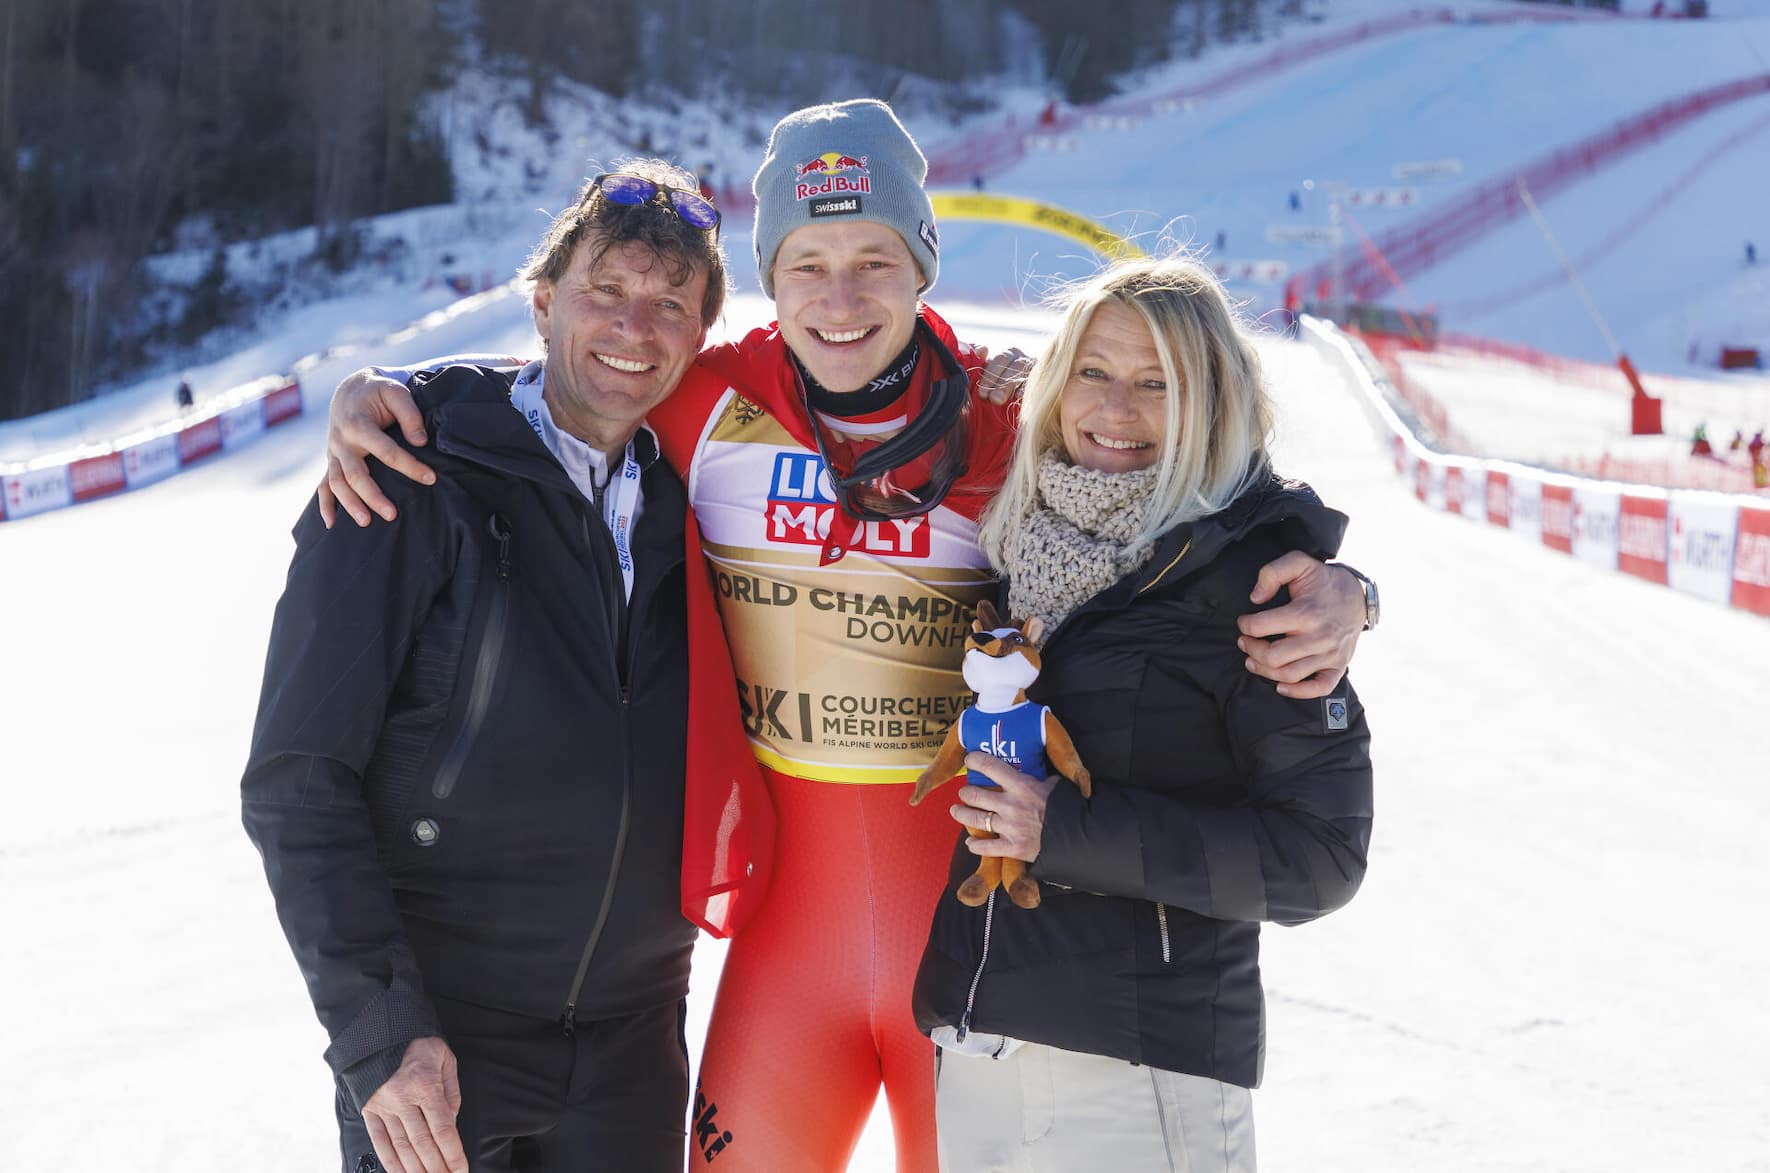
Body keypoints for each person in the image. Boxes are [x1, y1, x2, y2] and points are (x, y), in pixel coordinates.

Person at [317, 100, 1374, 1173]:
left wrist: (1341, 582)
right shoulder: (708, 401)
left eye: (875, 259)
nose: (841, 297)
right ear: (770, 280)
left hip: (970, 934)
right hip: (788, 950)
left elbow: (1192, 481)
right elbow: (575, 386)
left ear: (923, 266)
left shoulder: (1009, 417)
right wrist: (391, 397)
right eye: (808, 262)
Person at [241, 158, 762, 1173]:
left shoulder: (693, 495)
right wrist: (381, 1033)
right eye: (603, 291)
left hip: (633, 1048)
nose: (633, 327)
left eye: (669, 304)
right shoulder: (411, 470)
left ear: (698, 341)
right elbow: (297, 780)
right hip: (442, 1038)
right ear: (541, 305)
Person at [913, 253, 1373, 1172]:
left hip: (1139, 1067)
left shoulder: (1262, 585)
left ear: (1213, 402)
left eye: (1156, 384)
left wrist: (1064, 830)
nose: (1114, 411)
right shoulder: (1023, 548)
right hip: (981, 1039)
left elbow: (1322, 858)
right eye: (1092, 371)